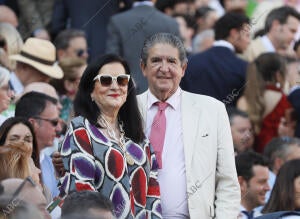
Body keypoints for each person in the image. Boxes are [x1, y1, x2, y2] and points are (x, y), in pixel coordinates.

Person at [137, 33, 240, 218]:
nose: (164, 68)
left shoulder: (212, 109)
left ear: (183, 68)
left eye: (171, 61)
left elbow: (227, 181)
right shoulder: (126, 109)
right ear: (143, 67)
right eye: (156, 61)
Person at [58, 54, 161, 218]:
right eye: (106, 80)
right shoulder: (81, 129)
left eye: (122, 80)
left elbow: (153, 194)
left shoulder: (139, 137)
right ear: (91, 91)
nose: (115, 86)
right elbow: (82, 194)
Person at [105, 0, 180, 94]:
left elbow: (112, 59)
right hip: (163, 90)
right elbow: (177, 61)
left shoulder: (117, 21)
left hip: (128, 90)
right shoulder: (171, 23)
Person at [180, 12, 250, 106]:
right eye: (247, 35)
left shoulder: (189, 62)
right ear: (234, 33)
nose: (249, 41)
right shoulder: (243, 67)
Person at [237, 53, 293, 153]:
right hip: (277, 156)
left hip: (250, 158)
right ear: (278, 75)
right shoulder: (286, 101)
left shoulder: (244, 100)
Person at [235, 151, 270, 218]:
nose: (268, 188)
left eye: (267, 181)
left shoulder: (262, 217)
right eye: (262, 182)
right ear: (241, 183)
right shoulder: (223, 215)